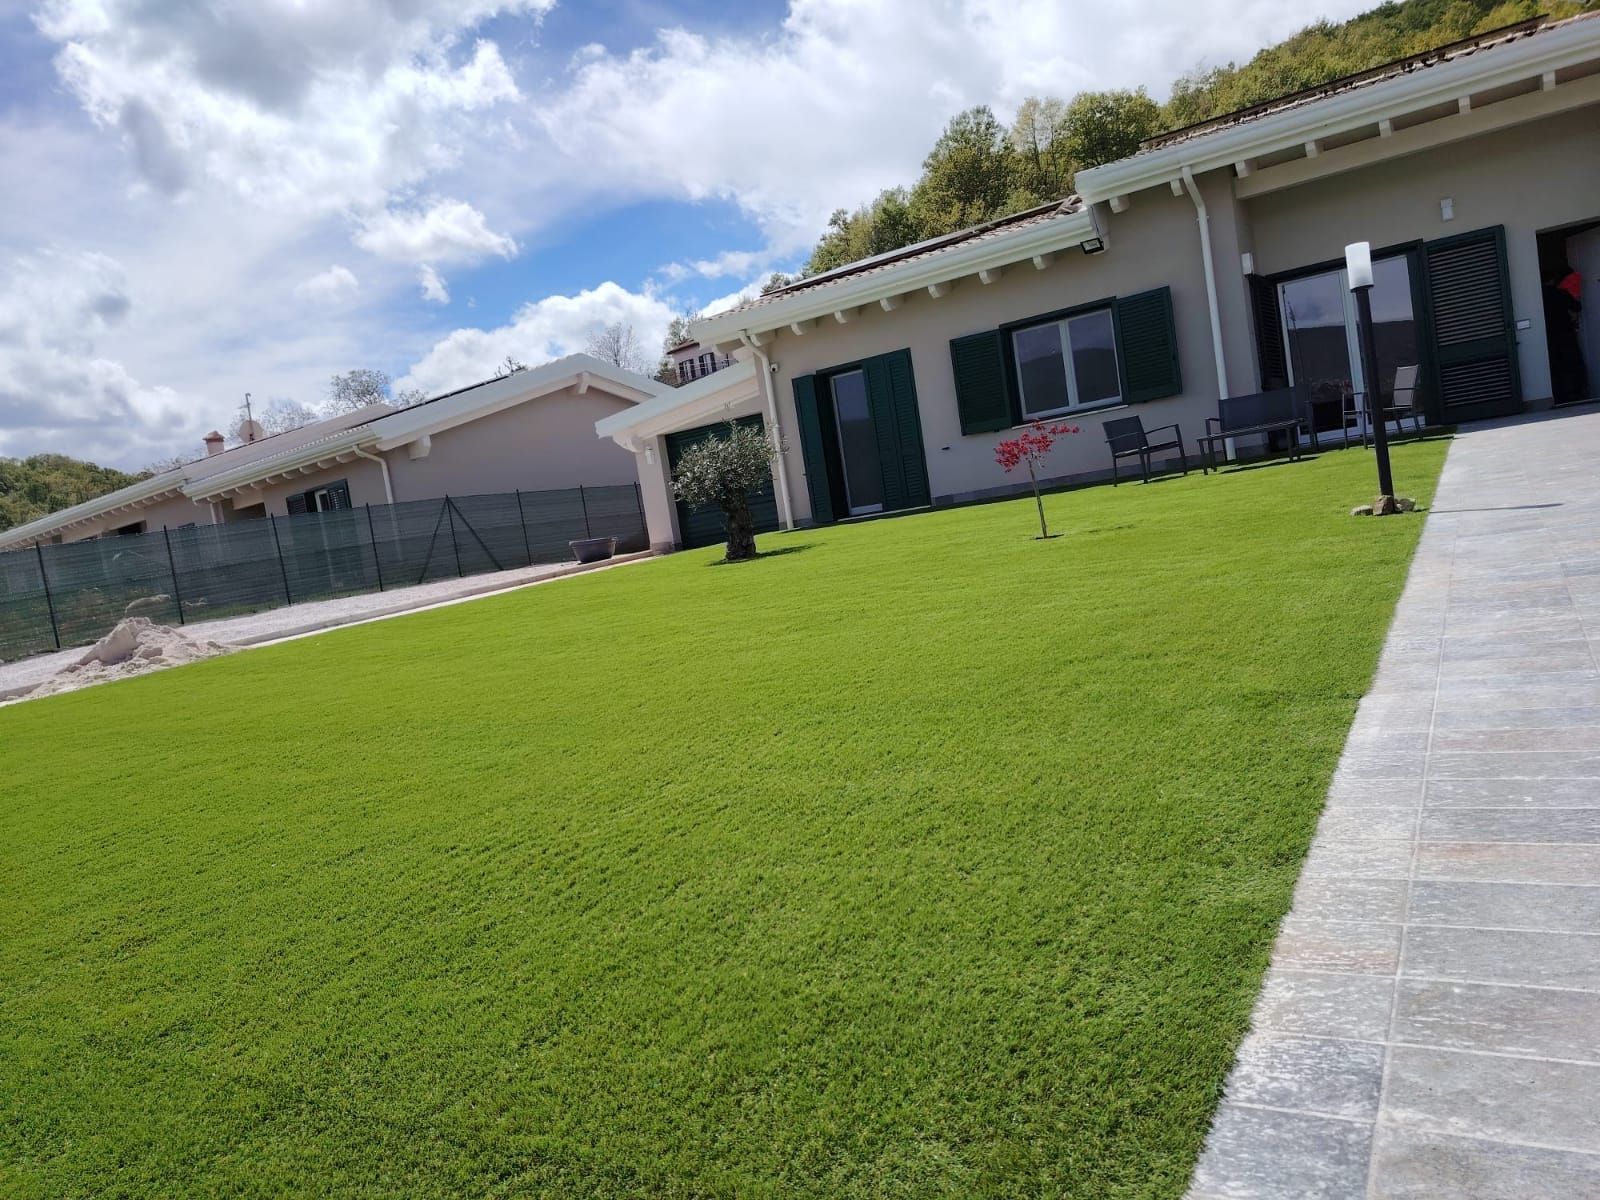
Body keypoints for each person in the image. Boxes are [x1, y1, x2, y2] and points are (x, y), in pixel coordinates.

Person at [1545, 263, 1587, 405]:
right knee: (1571, 363)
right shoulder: (1561, 293)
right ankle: (1575, 393)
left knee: (1554, 365)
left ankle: (1558, 396)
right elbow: (1577, 307)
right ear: (1553, 279)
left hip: (1549, 334)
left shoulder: (1539, 296)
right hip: (1565, 331)